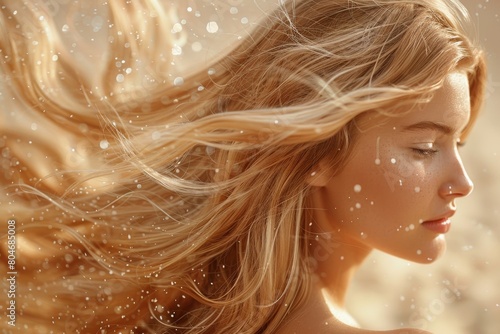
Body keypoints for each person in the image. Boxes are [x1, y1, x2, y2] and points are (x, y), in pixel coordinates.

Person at [0, 0, 486, 333]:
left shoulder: (190, 314)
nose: (460, 183)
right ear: (313, 152)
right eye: (424, 148)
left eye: (459, 142)